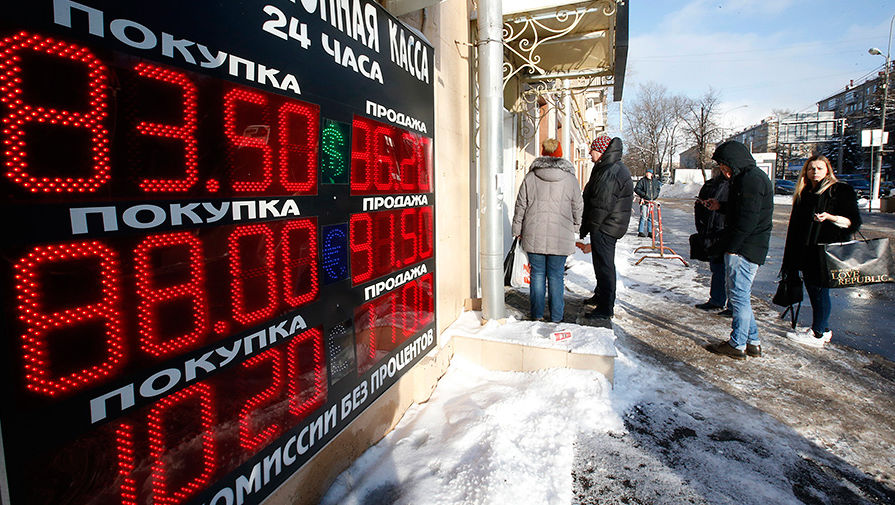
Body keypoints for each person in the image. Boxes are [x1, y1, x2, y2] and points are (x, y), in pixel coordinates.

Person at [703, 141, 773, 360]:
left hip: (744, 248)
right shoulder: (748, 178)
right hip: (748, 246)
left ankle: (737, 344)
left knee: (739, 297)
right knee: (741, 295)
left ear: (734, 161)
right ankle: (752, 341)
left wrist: (732, 248)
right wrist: (720, 206)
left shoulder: (751, 180)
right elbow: (742, 210)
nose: (723, 171)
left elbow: (748, 219)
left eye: (724, 165)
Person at [781, 154, 860, 347]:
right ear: (805, 172)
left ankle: (818, 333)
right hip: (806, 250)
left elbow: (853, 222)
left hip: (826, 249)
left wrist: (831, 218)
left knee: (819, 290)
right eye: (811, 168)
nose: (815, 172)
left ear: (827, 170)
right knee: (814, 289)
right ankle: (822, 328)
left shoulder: (839, 190)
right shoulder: (805, 193)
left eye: (819, 168)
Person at [512, 138, 583, 322]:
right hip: (561, 236)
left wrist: (517, 229)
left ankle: (536, 315)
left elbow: (520, 205)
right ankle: (557, 317)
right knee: (556, 276)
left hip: (533, 234)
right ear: (559, 154)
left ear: (543, 153)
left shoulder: (530, 177)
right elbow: (578, 206)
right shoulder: (570, 179)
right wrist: (576, 226)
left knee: (537, 275)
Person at [579, 134, 634, 320]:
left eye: (592, 149)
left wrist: (590, 227)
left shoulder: (611, 171)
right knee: (601, 264)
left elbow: (601, 204)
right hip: (607, 225)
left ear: (601, 151)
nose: (589, 153)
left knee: (605, 267)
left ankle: (605, 307)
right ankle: (600, 295)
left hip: (605, 227)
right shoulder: (608, 167)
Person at [693, 167, 730, 314]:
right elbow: (699, 205)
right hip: (712, 231)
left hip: (725, 232)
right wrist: (701, 227)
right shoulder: (710, 185)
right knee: (717, 268)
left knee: (731, 272)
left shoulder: (735, 185)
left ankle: (732, 306)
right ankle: (717, 300)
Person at [634, 168, 662, 237]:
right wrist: (644, 195)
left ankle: (650, 231)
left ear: (651, 174)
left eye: (648, 173)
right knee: (643, 216)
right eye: (646, 172)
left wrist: (655, 195)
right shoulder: (642, 181)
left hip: (651, 202)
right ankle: (640, 231)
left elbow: (658, 189)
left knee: (650, 217)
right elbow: (637, 189)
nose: (647, 174)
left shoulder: (655, 181)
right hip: (644, 201)